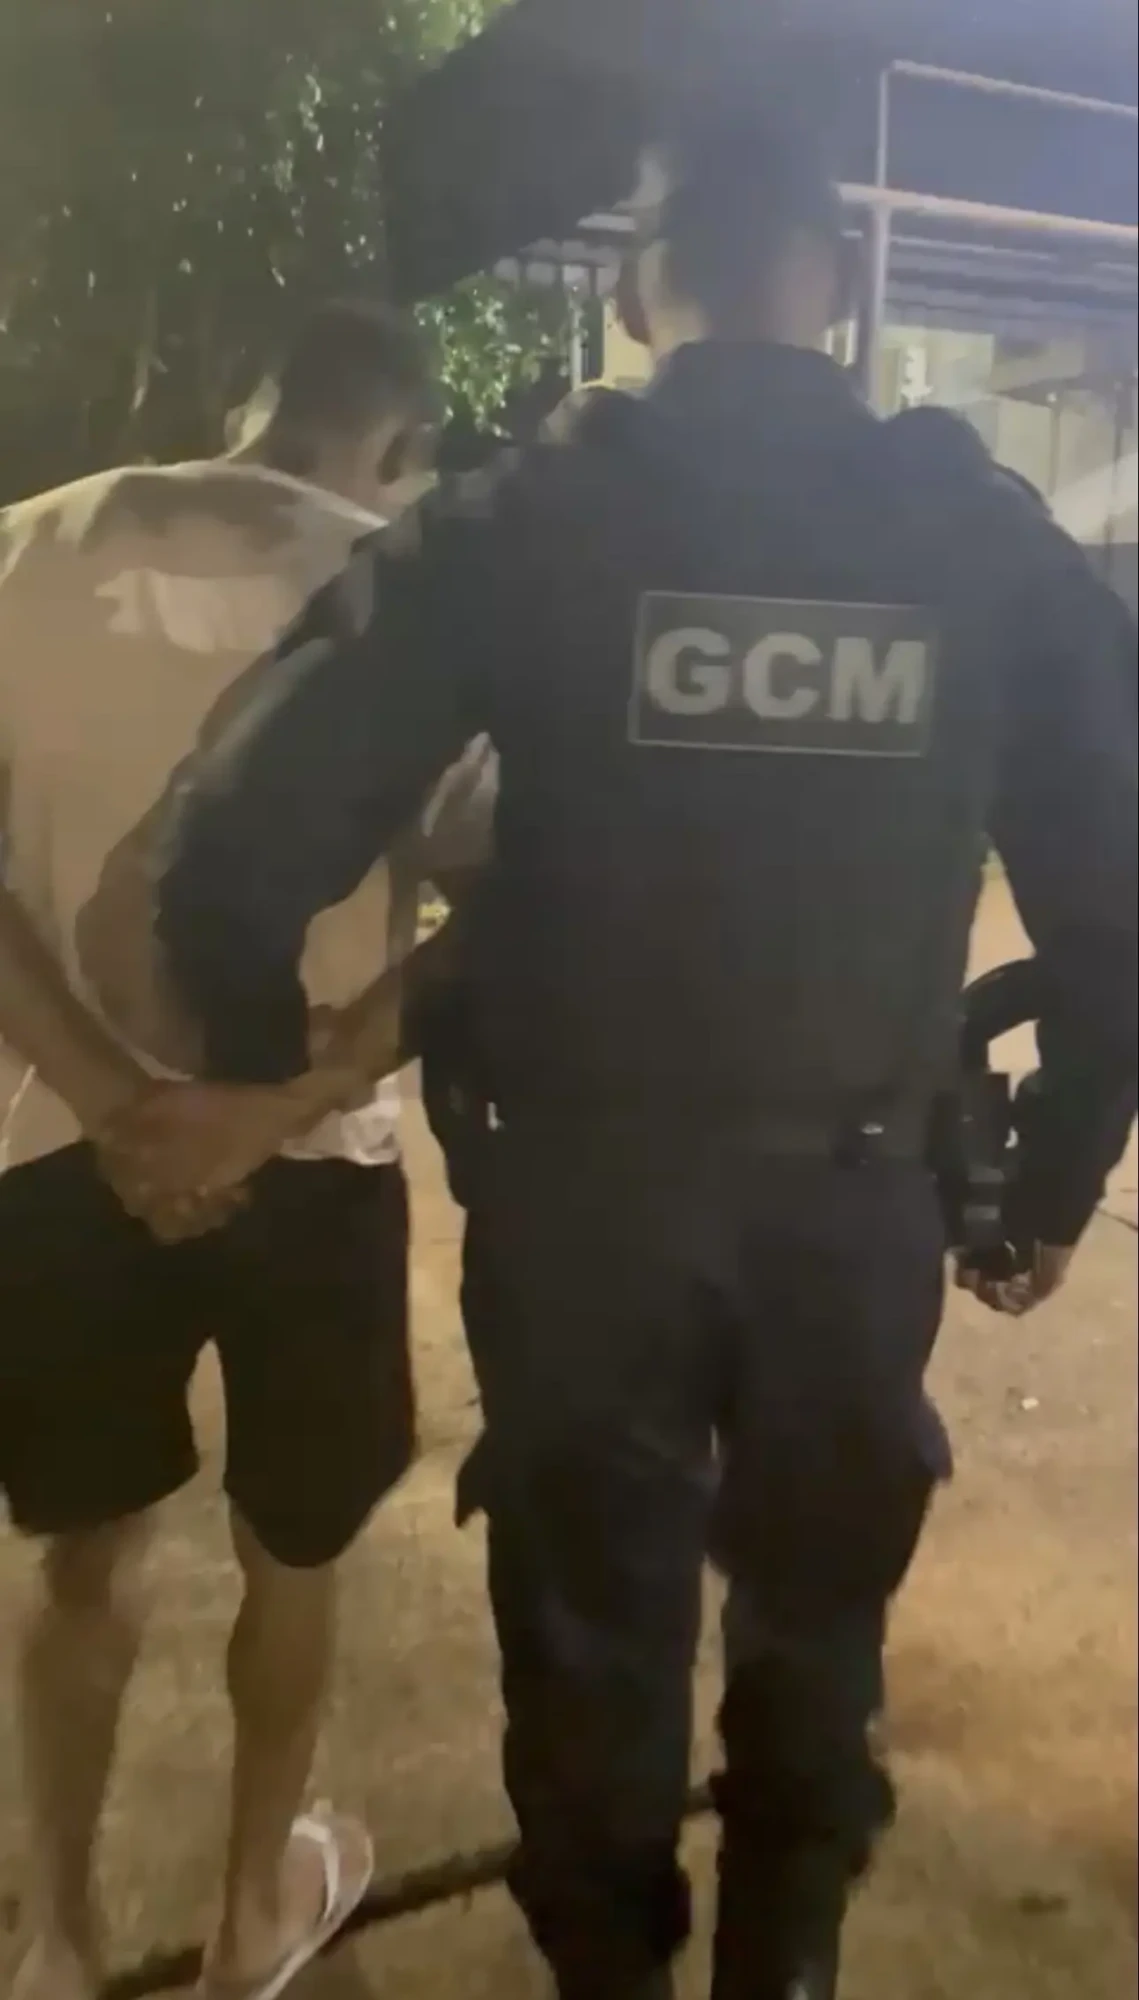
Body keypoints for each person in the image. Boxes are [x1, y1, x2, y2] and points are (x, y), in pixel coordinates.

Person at [119, 129, 1135, 2000]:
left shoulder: (526, 521)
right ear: (838, 293)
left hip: (583, 1214)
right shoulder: (972, 534)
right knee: (817, 1635)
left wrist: (269, 1093)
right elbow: (1116, 894)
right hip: (854, 1205)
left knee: (590, 1649)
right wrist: (1056, 1176)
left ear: (631, 301)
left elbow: (229, 851)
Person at [0, 298, 494, 2000]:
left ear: (243, 406)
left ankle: (53, 1941)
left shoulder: (25, 547)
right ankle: (247, 1930)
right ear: (400, 440)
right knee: (294, 1550)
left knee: (81, 1556)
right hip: (314, 1151)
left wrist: (116, 1101)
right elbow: (491, 900)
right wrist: (265, 1110)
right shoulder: (413, 586)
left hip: (57, 1148)